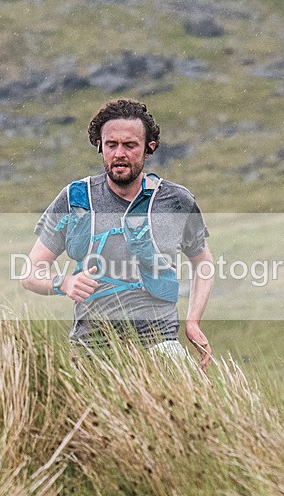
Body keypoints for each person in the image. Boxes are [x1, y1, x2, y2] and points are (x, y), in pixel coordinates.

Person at [21, 99, 214, 370]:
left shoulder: (176, 201)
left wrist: (193, 321)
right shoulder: (76, 198)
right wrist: (63, 283)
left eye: (130, 145)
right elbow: (30, 273)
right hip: (91, 348)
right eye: (111, 145)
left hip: (160, 343)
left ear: (149, 149)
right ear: (100, 147)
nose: (119, 154)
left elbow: (202, 262)